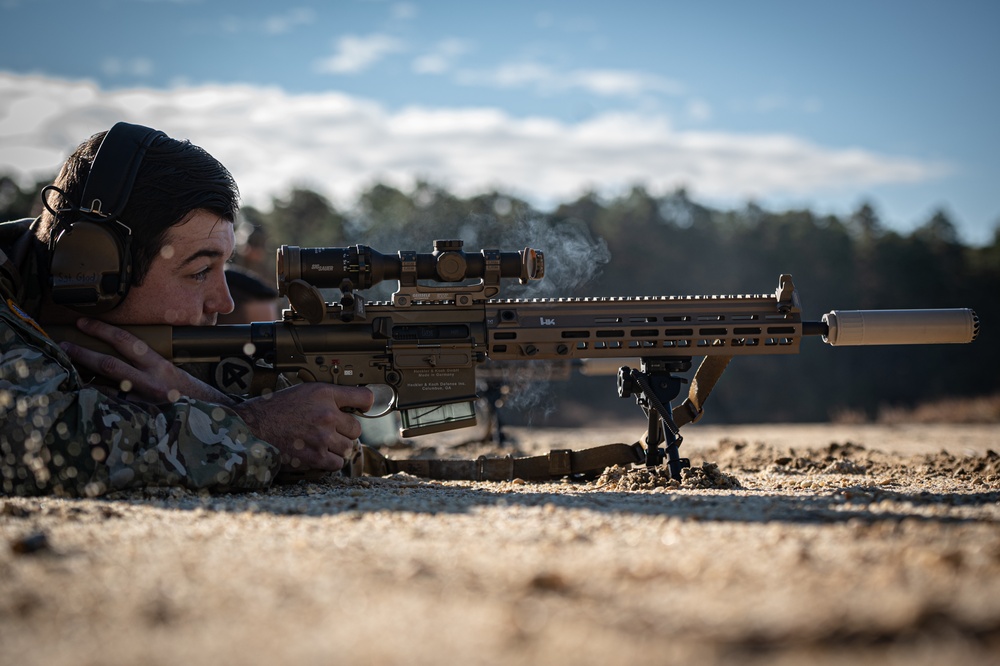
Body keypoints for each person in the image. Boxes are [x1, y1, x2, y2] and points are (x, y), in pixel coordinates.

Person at [0, 122, 372, 497]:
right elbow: (37, 442)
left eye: (224, 267)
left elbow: (319, 442)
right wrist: (254, 428)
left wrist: (226, 408)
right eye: (199, 271)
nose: (223, 303)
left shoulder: (161, 347)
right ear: (91, 270)